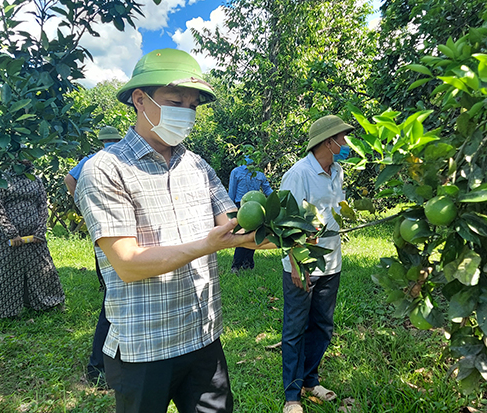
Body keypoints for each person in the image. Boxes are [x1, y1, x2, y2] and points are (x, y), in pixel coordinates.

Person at [75, 48, 266, 413]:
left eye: (193, 105)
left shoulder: (197, 166)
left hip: (202, 336)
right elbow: (128, 263)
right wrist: (206, 245)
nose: (186, 112)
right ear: (140, 100)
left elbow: (232, 225)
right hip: (145, 346)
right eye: (176, 101)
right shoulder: (105, 170)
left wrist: (288, 232)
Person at [278, 115, 354, 413]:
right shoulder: (299, 174)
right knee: (296, 328)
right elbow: (285, 223)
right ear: (329, 141)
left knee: (322, 326)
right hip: (304, 264)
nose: (348, 145)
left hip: (331, 263)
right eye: (344, 139)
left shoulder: (338, 172)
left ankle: (311, 380)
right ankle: (292, 395)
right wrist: (298, 265)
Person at [64, 126, 123, 389]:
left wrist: (81, 200)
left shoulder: (90, 160)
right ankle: (97, 367)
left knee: (112, 294)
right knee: (113, 302)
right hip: (120, 233)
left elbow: (68, 178)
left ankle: (100, 366)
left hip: (104, 230)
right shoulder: (116, 160)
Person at [0, 160, 65, 319]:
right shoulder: (3, 180)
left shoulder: (35, 179)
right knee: (8, 273)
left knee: (43, 268)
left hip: (35, 236)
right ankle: (6, 313)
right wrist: (11, 232)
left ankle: (49, 303)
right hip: (9, 238)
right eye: (21, 157)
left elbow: (42, 205)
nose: (26, 161)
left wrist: (40, 229)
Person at [227, 155, 273, 273]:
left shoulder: (259, 174)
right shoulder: (236, 172)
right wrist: (231, 210)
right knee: (242, 236)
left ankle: (248, 264)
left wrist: (278, 200)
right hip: (241, 207)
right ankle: (236, 265)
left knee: (253, 236)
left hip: (257, 208)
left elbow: (267, 190)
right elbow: (231, 193)